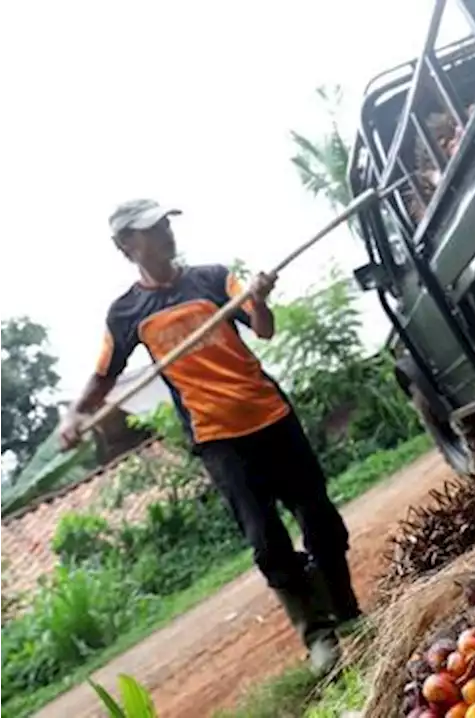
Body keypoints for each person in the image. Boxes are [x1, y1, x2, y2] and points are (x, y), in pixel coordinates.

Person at [57, 199, 360, 673]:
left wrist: (258, 299)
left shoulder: (214, 277)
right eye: (149, 230)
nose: (163, 233)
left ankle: (347, 612)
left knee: (319, 517)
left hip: (271, 415)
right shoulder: (126, 314)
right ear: (125, 246)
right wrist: (74, 416)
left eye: (163, 224)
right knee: (266, 541)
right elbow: (103, 378)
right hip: (219, 439)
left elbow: (264, 329)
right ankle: (317, 634)